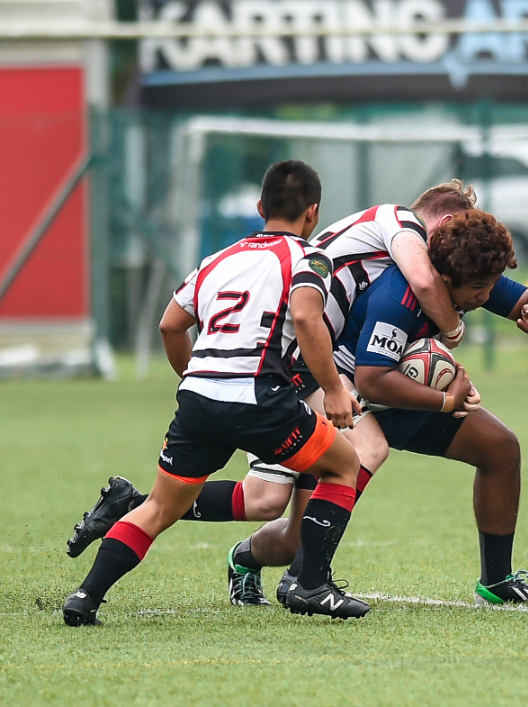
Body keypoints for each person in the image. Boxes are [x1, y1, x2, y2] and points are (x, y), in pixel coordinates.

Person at [62, 160, 369, 626]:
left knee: (160, 508)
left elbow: (170, 325)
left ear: (261, 207)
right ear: (313, 212)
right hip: (262, 397)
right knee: (343, 465)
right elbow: (308, 318)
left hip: (199, 397)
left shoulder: (216, 260)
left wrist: (197, 381)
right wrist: (333, 391)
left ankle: (85, 596)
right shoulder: (311, 258)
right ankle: (311, 585)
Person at [233, 209, 528, 607]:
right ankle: (293, 573)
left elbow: (511, 295)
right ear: (445, 279)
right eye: (479, 288)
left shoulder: (469, 273)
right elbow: (373, 378)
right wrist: (446, 401)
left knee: (500, 447)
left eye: (490, 285)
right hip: (349, 395)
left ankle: (497, 582)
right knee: (297, 531)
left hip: (401, 395)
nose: (485, 295)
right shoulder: (397, 299)